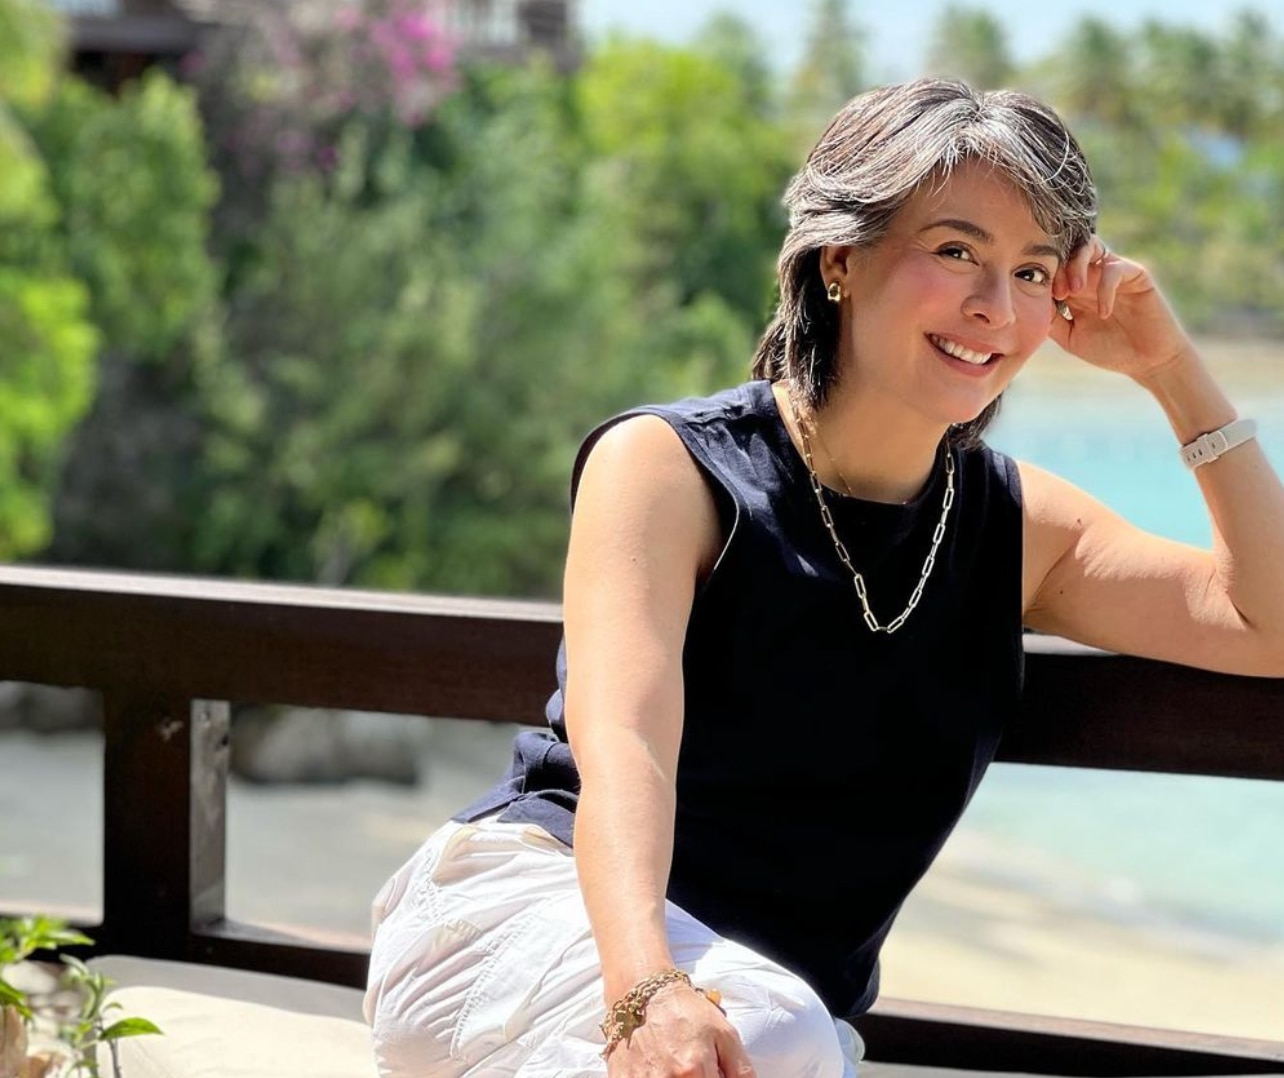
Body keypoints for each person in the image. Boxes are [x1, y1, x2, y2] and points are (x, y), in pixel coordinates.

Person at [362, 78, 1284, 1078]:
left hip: (765, 1009)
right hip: (532, 918)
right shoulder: (668, 468)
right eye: (956, 251)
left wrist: (1170, 367)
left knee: (776, 1034)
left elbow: (1265, 623)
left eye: (1031, 271)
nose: (994, 306)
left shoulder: (1020, 528)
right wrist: (646, 989)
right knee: (776, 1034)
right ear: (839, 257)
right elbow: (622, 738)